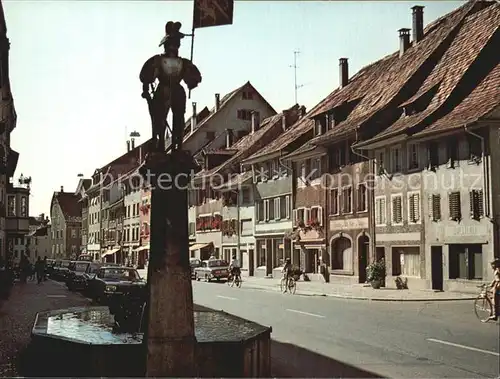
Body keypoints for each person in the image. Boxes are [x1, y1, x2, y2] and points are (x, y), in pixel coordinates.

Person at [484, 258, 500, 322]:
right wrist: (491, 284)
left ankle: (495, 315)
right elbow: (495, 279)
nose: (491, 266)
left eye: (492, 264)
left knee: (495, 297)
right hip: (497, 285)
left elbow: (498, 279)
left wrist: (495, 287)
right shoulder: (497, 270)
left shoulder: (497, 270)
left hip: (498, 286)